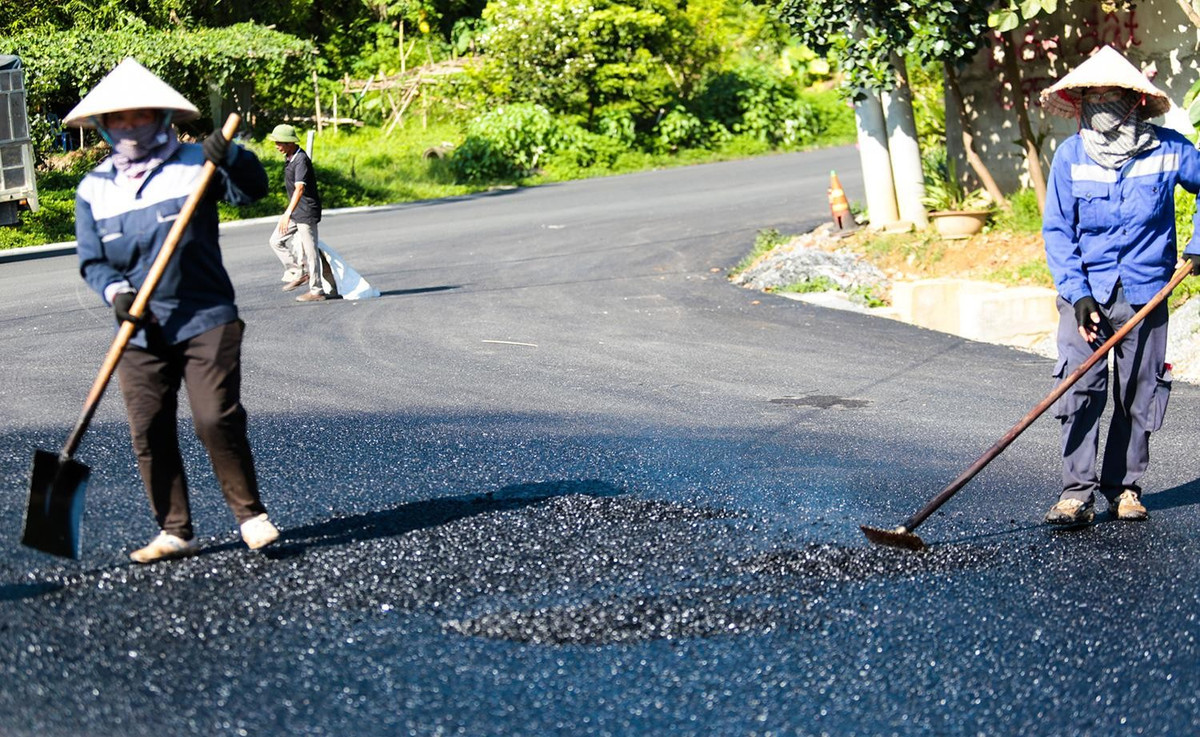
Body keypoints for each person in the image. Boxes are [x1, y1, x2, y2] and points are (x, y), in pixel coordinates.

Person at [65, 58, 281, 562]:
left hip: (205, 316)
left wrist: (231, 157)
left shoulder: (197, 164)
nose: (129, 127)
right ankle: (174, 529)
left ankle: (251, 516)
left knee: (213, 417)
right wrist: (117, 294)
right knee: (147, 427)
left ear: (161, 117)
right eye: (118, 119)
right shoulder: (93, 189)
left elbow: (253, 190)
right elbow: (93, 262)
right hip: (140, 330)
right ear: (101, 125)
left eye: (140, 116)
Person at [1039, 45, 1200, 525]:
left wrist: (1198, 247)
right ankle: (1075, 492)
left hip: (1146, 291)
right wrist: (1079, 293)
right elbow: (1057, 231)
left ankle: (1124, 488)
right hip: (1085, 295)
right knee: (1080, 388)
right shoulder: (1070, 156)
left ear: (1134, 103)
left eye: (1110, 98)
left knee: (1139, 391)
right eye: (1092, 98)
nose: (1099, 107)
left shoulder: (1170, 149)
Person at [266, 123, 335, 302]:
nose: (276, 146)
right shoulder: (289, 157)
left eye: (279, 143)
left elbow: (299, 189)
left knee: (311, 252)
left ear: (289, 143)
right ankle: (299, 271)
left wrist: (287, 212)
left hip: (306, 212)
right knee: (275, 241)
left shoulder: (301, 160)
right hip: (297, 211)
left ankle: (317, 290)